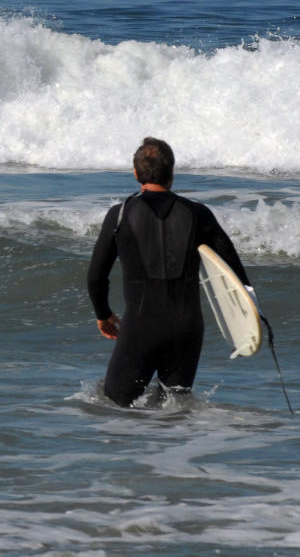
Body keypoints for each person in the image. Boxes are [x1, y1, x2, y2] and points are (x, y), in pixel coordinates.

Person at [86, 137, 250, 407]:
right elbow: (234, 271)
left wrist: (103, 314)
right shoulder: (198, 214)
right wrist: (250, 317)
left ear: (136, 173)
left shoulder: (119, 215)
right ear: (172, 172)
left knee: (115, 408)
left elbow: (95, 276)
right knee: (175, 413)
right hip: (186, 329)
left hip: (140, 327)